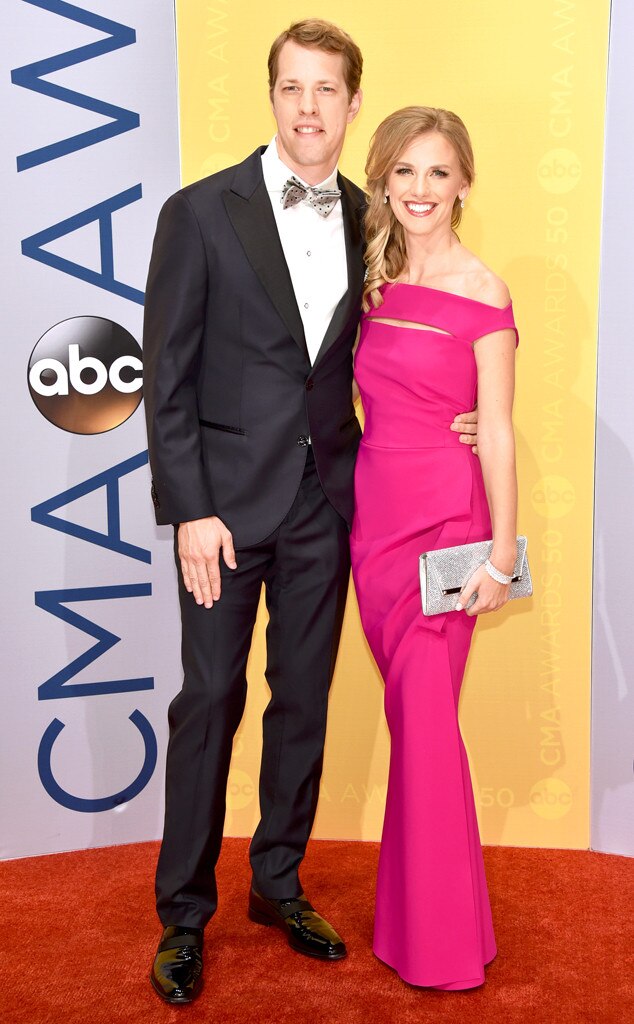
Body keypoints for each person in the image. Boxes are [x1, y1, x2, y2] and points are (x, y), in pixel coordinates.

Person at [143, 22, 478, 1004]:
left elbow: (416, 333)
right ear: (272, 94)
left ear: (352, 104)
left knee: (302, 701)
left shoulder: (377, 222)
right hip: (220, 513)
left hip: (330, 505)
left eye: (326, 89)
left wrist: (456, 413)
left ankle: (277, 882)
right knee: (210, 700)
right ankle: (183, 914)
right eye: (292, 87)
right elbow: (166, 379)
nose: (307, 107)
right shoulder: (199, 213)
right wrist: (189, 509)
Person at [350, 106, 519, 990]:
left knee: (424, 724)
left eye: (438, 173)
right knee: (415, 724)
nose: (420, 189)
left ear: (464, 184)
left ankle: (443, 947)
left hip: (447, 530)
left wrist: (499, 554)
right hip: (371, 527)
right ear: (383, 179)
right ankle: (427, 920)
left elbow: (495, 430)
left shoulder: (485, 291)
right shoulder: (370, 282)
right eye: (404, 171)